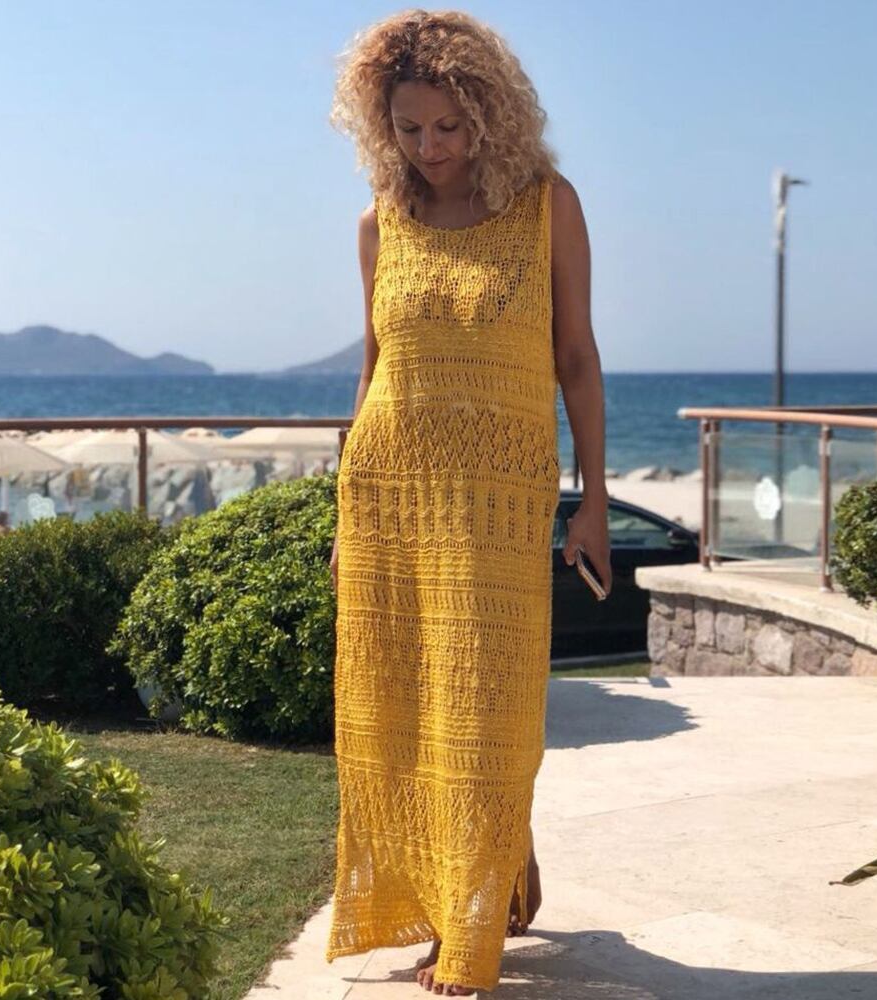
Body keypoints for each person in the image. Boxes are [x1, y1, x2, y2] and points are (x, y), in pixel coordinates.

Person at [325, 10, 612, 995]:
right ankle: (477, 890)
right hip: (390, 494)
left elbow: (576, 358)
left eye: (448, 125)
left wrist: (593, 500)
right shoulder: (378, 223)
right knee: (409, 712)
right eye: (408, 128)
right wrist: (346, 514)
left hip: (498, 503)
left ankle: (473, 931)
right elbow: (374, 369)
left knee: (488, 713)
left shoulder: (546, 206)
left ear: (488, 114)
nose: (430, 146)